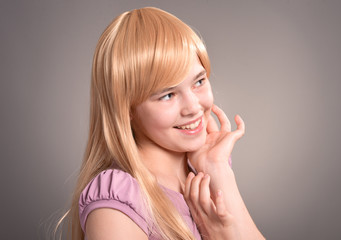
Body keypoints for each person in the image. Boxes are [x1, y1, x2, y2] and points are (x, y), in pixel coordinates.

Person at [63, 7, 265, 240]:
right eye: (167, 95)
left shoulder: (208, 169)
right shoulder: (117, 201)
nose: (193, 107)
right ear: (127, 109)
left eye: (198, 81)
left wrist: (219, 171)